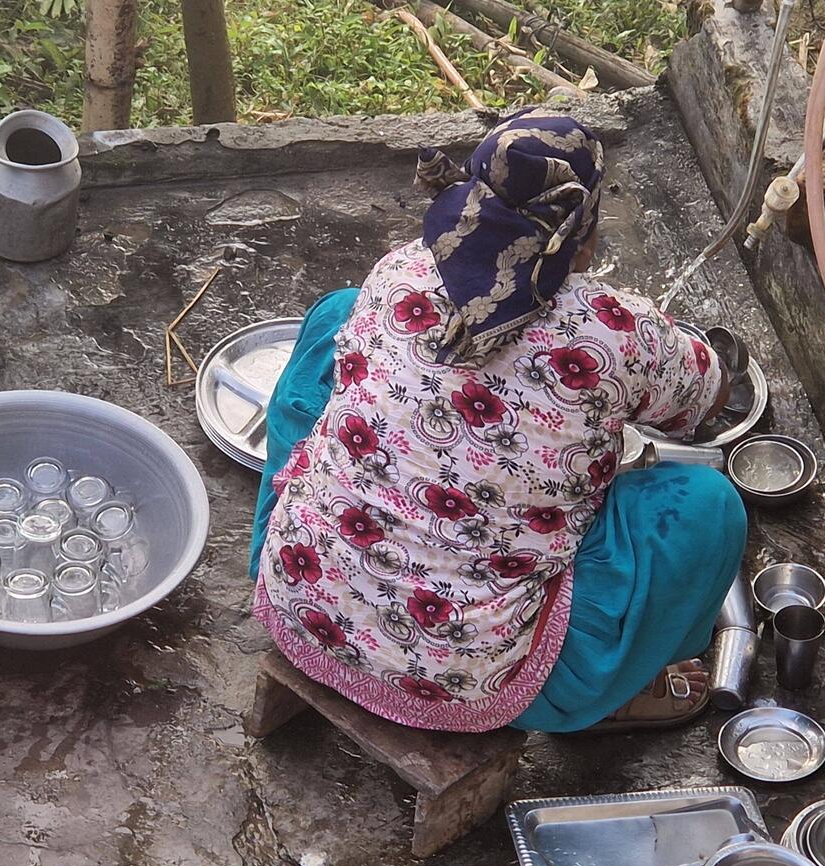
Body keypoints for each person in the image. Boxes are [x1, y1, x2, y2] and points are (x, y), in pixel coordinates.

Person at [248, 108, 746, 735]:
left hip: (303, 604)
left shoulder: (398, 271)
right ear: (583, 234)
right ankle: (614, 689)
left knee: (338, 314)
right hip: (469, 680)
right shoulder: (616, 334)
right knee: (706, 504)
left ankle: (306, 536)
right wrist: (704, 357)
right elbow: (702, 404)